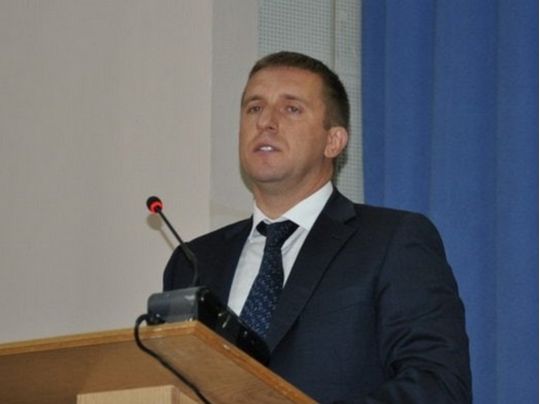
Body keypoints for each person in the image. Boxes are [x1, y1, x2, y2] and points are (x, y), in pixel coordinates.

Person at [163, 51, 471, 403]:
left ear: (333, 141)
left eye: (291, 108)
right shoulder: (192, 261)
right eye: (254, 108)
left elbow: (438, 386)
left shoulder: (392, 241)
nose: (266, 122)